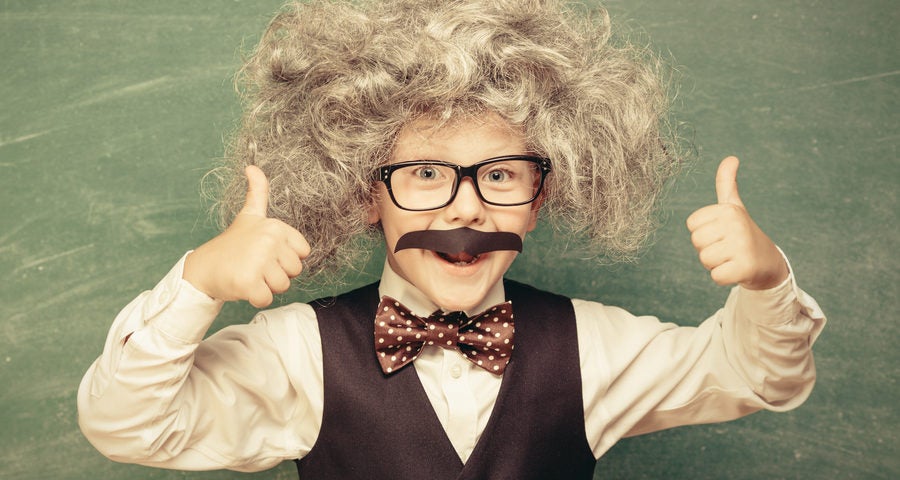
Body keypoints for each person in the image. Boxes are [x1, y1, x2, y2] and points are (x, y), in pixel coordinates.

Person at [77, 0, 826, 478]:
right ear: (368, 192)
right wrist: (200, 283)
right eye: (427, 173)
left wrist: (767, 284)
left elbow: (759, 377)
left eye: (500, 176)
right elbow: (125, 425)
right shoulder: (297, 353)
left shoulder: (594, 349)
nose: (465, 210)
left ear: (542, 197)